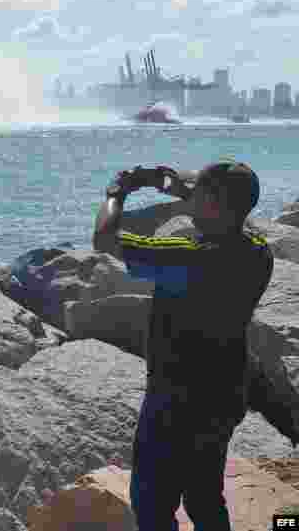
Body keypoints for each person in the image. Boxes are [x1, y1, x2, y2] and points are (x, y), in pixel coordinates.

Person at [92, 159, 274, 531]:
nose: (190, 197)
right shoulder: (258, 252)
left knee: (152, 504)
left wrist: (116, 193)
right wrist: (178, 188)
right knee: (204, 496)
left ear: (212, 203)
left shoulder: (189, 257)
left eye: (199, 193)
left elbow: (106, 240)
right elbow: (230, 209)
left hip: (175, 401)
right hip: (226, 392)